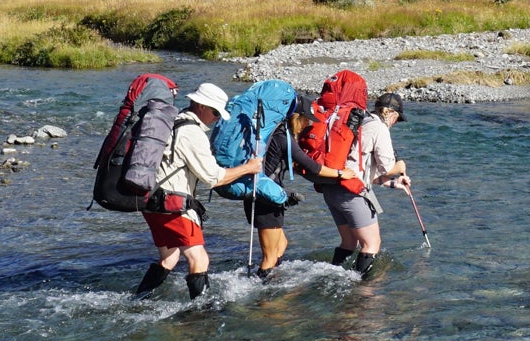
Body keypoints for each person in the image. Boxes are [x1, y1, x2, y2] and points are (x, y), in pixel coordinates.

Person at [133, 83, 262, 300]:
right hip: (173, 205)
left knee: (169, 257)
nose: (216, 118)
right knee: (199, 258)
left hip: (151, 202)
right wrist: (249, 168)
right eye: (214, 112)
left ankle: (138, 300)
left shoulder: (172, 121)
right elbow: (213, 178)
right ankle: (201, 313)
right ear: (200, 106)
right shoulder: (191, 132)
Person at [245, 99, 350, 282]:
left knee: (281, 245)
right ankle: (262, 296)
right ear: (296, 118)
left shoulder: (271, 133)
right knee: (270, 256)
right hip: (266, 199)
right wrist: (341, 173)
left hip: (262, 195)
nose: (308, 125)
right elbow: (312, 167)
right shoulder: (283, 137)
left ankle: (269, 283)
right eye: (306, 120)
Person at [323, 91, 410, 275]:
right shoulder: (380, 128)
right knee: (372, 244)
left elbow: (364, 170)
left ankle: (330, 274)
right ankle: (362, 292)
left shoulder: (359, 121)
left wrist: (395, 183)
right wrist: (400, 166)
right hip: (350, 194)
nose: (395, 123)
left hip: (332, 188)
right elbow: (387, 167)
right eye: (397, 119)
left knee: (349, 243)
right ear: (392, 114)